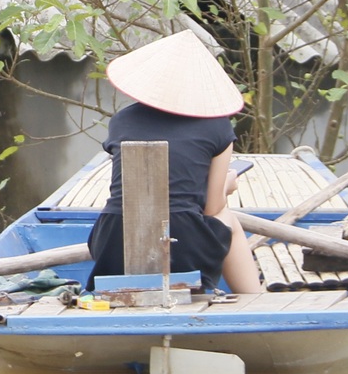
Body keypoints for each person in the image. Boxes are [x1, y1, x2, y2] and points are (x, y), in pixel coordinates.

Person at [85, 29, 261, 294]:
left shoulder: (121, 121)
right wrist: (227, 186)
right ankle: (254, 299)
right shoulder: (217, 126)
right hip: (183, 242)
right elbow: (212, 208)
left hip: (112, 239)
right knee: (229, 219)